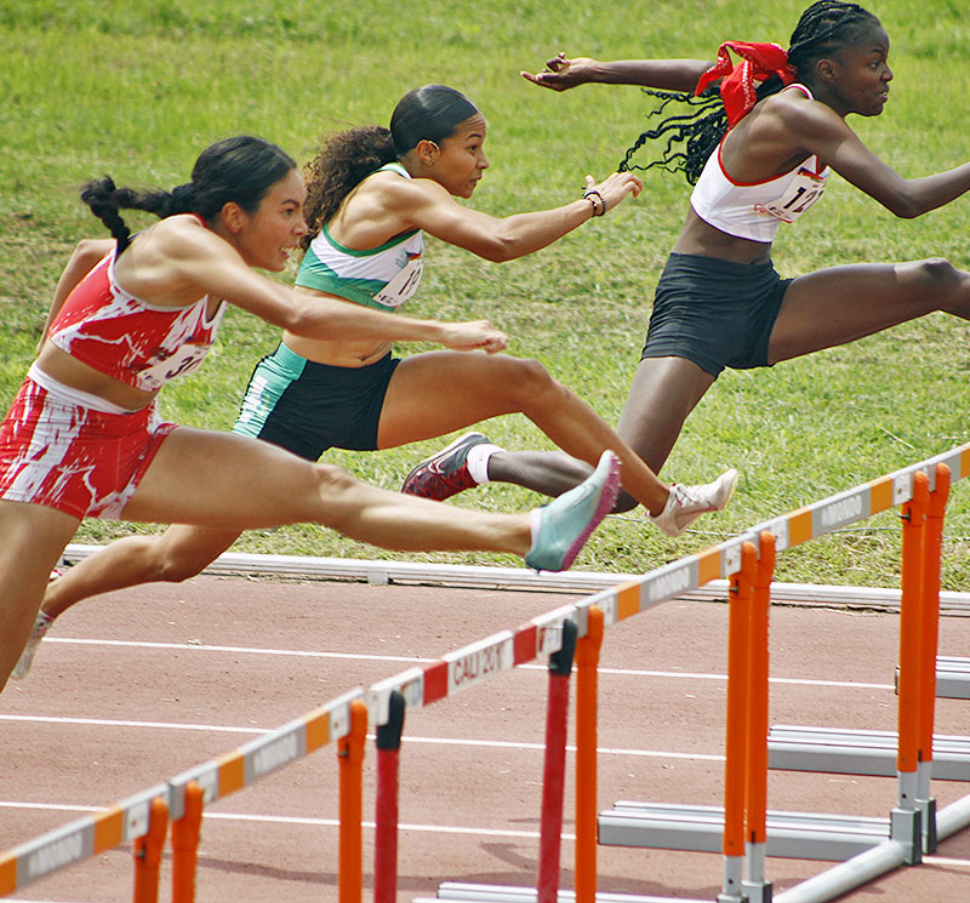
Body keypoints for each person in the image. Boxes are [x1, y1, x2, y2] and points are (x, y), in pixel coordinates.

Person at [14, 87, 738, 679]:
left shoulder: (216, 248)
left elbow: (91, 252)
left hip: (263, 411)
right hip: (244, 410)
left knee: (497, 396)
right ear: (235, 215)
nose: (302, 229)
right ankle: (52, 602)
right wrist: (448, 328)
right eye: (289, 213)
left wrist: (57, 345)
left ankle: (598, 517)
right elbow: (310, 304)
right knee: (177, 558)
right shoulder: (214, 240)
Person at [404, 1, 970, 513]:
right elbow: (905, 200)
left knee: (936, 280)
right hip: (698, 306)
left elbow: (704, 75)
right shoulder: (797, 115)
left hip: (762, 300)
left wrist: (598, 70)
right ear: (828, 71)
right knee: (625, 486)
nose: (888, 75)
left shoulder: (784, 92)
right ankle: (478, 460)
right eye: (875, 63)